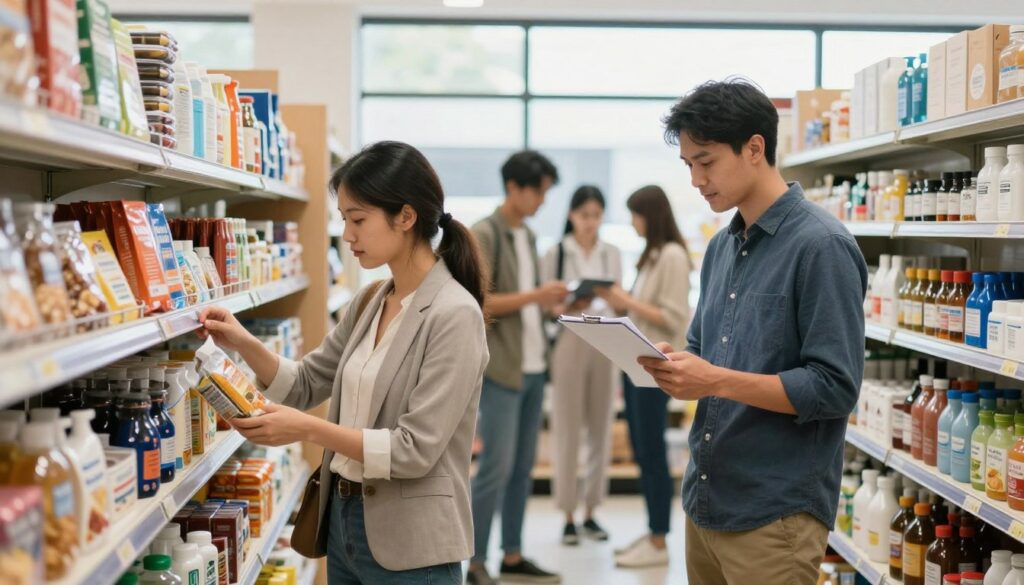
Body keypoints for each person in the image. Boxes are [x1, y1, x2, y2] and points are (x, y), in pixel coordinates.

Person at [197, 141, 490, 585]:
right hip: (344, 525)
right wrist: (242, 340)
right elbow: (306, 382)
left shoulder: (454, 314)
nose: (348, 235)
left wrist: (308, 429)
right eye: (344, 220)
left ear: (406, 217)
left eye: (358, 220)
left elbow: (414, 450)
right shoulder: (371, 300)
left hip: (413, 546)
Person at [638, 79, 867, 585]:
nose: (697, 179)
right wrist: (675, 363)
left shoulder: (821, 247)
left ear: (755, 148)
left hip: (774, 514)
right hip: (706, 501)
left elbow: (833, 388)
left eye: (706, 161)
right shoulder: (721, 247)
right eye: (688, 166)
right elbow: (703, 349)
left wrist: (715, 380)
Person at [468, 150, 566, 585]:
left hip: (532, 366)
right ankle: (473, 561)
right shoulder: (483, 234)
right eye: (539, 192)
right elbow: (478, 302)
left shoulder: (526, 237)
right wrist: (536, 296)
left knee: (523, 469)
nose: (543, 201)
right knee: (495, 469)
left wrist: (554, 304)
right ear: (514, 188)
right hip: (501, 371)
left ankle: (511, 554)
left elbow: (530, 301)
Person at [594, 185, 692, 569]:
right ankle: (653, 532)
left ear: (650, 216)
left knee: (651, 454)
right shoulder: (653, 256)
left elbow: (672, 318)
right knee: (643, 452)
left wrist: (625, 301)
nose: (633, 223)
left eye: (636, 215)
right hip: (637, 366)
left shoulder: (671, 256)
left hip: (656, 367)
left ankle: (658, 540)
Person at [540, 185, 623, 547]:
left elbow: (621, 304)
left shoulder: (612, 253)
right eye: (584, 214)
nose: (590, 222)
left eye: (596, 215)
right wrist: (566, 304)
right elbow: (545, 305)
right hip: (570, 339)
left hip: (605, 339)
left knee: (600, 426)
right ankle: (569, 514)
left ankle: (591, 511)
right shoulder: (555, 253)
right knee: (567, 428)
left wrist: (606, 296)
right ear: (572, 215)